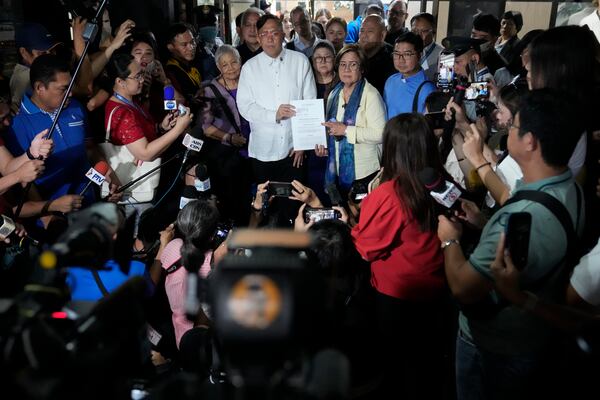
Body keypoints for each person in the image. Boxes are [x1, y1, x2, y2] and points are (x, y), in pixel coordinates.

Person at [437, 89, 585, 400]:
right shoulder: (569, 188)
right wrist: (479, 161)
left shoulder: (518, 217)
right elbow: (510, 197)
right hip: (534, 335)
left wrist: (449, 239)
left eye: (514, 125)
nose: (507, 130)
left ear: (530, 141)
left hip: (493, 344)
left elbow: (464, 287)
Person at [351, 114, 448, 399]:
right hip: (435, 287)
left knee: (400, 369)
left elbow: (367, 247)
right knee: (425, 364)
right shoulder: (439, 180)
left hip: (398, 297)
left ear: (392, 149)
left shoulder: (390, 195)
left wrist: (351, 225)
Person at [5, 54, 118, 205]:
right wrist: (46, 216)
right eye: (63, 89)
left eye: (71, 87)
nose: (70, 94)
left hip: (89, 201)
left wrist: (105, 175)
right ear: (39, 88)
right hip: (54, 214)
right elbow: (23, 181)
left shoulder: (76, 107)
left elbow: (88, 149)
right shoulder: (16, 123)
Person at [237, 14, 316, 187]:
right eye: (264, 34)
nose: (270, 38)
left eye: (274, 33)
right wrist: (274, 114)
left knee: (294, 204)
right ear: (258, 37)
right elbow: (245, 107)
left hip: (293, 150)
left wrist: (302, 143)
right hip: (263, 150)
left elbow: (309, 102)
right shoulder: (249, 68)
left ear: (283, 34)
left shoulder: (300, 61)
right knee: (266, 204)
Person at [321, 45, 386, 197]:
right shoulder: (334, 94)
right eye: (343, 64)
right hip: (337, 170)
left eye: (353, 64)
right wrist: (323, 146)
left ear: (362, 68)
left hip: (364, 172)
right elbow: (331, 129)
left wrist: (345, 130)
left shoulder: (371, 95)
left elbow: (381, 134)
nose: (346, 69)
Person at [199, 45, 251, 225]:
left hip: (253, 148)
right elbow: (206, 127)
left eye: (234, 62)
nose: (230, 68)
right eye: (225, 65)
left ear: (240, 62)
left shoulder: (250, 82)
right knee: (234, 198)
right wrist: (229, 138)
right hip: (227, 155)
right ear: (219, 67)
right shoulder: (210, 90)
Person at [159, 199, 219, 347]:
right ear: (211, 236)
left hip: (179, 334)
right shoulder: (211, 265)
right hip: (202, 341)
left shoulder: (172, 247)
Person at [309, 41, 338, 202]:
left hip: (337, 147)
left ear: (334, 60)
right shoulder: (307, 84)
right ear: (312, 61)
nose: (323, 61)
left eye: (327, 57)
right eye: (318, 58)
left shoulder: (342, 83)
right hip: (312, 148)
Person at [384, 32, 436, 118]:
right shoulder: (391, 81)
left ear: (420, 55)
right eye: (396, 54)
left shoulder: (427, 89)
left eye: (407, 54)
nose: (401, 60)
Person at [11, 23, 61, 110]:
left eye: (52, 51)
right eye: (42, 53)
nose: (50, 57)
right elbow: (84, 90)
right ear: (24, 52)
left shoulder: (31, 72)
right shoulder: (26, 77)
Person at [164, 23, 202, 108]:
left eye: (192, 42)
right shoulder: (170, 72)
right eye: (184, 44)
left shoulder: (191, 65)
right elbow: (171, 106)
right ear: (171, 47)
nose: (191, 47)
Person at [357, 14, 396, 96]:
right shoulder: (353, 53)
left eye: (370, 31)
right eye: (362, 30)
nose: (364, 36)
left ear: (382, 35)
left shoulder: (393, 59)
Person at [411, 12, 444, 81]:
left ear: (434, 31)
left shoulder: (442, 54)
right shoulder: (405, 52)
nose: (418, 35)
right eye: (414, 31)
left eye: (424, 31)